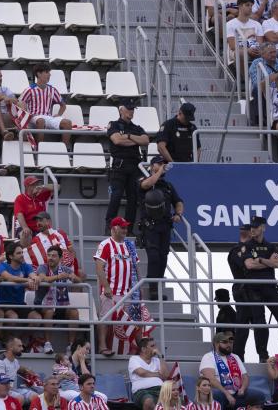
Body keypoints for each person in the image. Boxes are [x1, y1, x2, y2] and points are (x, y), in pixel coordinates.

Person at [229, 216, 278, 362]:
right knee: (260, 322)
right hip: (253, 289)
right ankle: (263, 356)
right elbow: (249, 265)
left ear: (263, 227)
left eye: (256, 227)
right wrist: (269, 262)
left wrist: (262, 260)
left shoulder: (271, 246)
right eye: (251, 227)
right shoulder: (247, 246)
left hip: (269, 288)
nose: (253, 229)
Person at [136, 156, 183, 300]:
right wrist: (158, 171)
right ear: (151, 166)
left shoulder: (168, 186)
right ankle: (153, 289)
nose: (163, 166)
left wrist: (178, 214)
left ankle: (158, 285)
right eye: (159, 163)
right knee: (154, 257)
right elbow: (147, 184)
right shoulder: (143, 180)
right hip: (150, 226)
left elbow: (179, 201)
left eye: (164, 164)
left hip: (165, 226)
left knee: (163, 258)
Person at [94, 217, 136, 355]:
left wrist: (136, 288)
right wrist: (106, 287)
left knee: (130, 320)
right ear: (114, 228)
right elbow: (99, 268)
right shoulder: (105, 244)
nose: (125, 230)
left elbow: (135, 268)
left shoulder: (129, 245)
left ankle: (131, 347)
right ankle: (102, 346)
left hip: (127, 292)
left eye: (126, 227)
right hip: (111, 291)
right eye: (122, 227)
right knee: (105, 319)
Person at [105, 99, 148, 227]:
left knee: (133, 198)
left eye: (133, 109)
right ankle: (110, 225)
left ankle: (128, 227)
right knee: (116, 196)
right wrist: (135, 140)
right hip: (120, 165)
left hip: (135, 166)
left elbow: (145, 141)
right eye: (129, 109)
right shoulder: (113, 125)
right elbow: (117, 140)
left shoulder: (137, 127)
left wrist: (128, 137)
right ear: (121, 110)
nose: (131, 111)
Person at [199, 332, 258, 407]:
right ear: (216, 344)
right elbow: (210, 379)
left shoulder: (235, 357)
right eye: (225, 342)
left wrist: (242, 388)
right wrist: (227, 394)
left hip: (237, 392)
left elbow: (245, 377)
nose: (229, 345)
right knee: (215, 395)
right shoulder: (208, 357)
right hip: (220, 392)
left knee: (258, 396)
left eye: (231, 342)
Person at [127, 337, 165, 410]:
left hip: (160, 389)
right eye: (152, 346)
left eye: (155, 345)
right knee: (148, 401)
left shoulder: (157, 360)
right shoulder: (134, 359)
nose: (155, 348)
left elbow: (165, 375)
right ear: (143, 349)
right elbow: (142, 373)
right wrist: (158, 374)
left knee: (177, 399)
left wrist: (160, 357)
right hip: (142, 391)